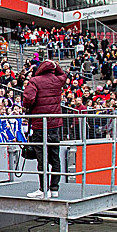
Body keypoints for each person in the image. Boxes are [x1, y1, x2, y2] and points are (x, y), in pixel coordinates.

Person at [23, 60, 67, 198]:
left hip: (40, 124)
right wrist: (55, 65)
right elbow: (63, 74)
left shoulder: (35, 81)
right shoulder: (57, 80)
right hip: (55, 124)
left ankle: (43, 189)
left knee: (42, 158)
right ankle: (55, 188)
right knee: (55, 157)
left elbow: (28, 99)